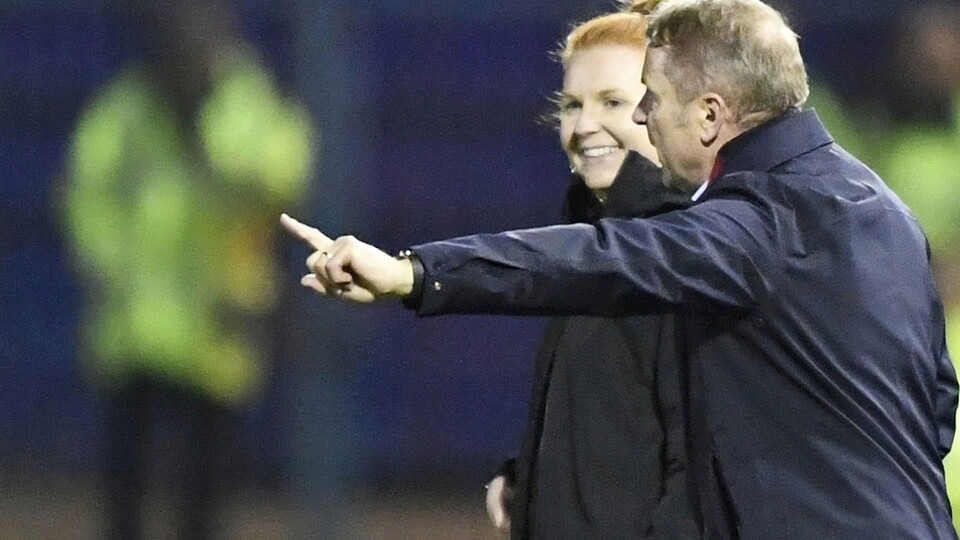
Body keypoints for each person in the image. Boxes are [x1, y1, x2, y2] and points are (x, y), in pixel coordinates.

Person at [281, 0, 958, 537]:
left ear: (711, 114)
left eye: (648, 98)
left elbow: (596, 258)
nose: (640, 115)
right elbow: (936, 403)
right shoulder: (883, 207)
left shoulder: (751, 225)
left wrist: (414, 273)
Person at [61, 0, 313, 537]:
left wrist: (208, 128)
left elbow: (283, 176)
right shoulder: (125, 108)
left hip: (217, 331)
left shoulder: (247, 103)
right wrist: (106, 263)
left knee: (205, 498)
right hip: (132, 331)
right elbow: (87, 192)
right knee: (125, 493)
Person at [482, 2, 697, 538]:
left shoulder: (686, 257)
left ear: (666, 110)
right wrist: (531, 480)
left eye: (613, 102)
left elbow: (696, 471)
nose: (583, 126)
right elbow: (617, 432)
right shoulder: (591, 241)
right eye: (571, 105)